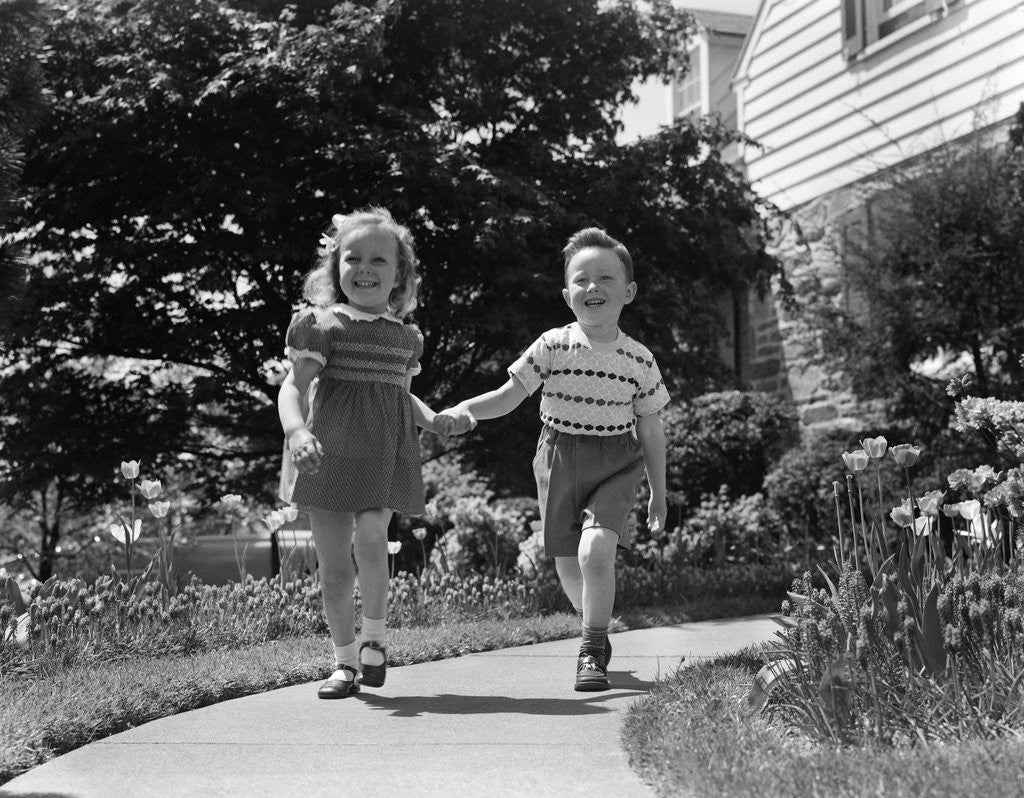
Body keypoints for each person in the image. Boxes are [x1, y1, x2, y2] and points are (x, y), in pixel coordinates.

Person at [438, 227, 669, 691]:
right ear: (567, 295)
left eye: (605, 278)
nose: (593, 287)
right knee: (568, 564)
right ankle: (595, 626)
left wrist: (658, 493)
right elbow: (508, 397)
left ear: (628, 291)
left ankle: (591, 647)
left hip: (616, 462)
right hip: (558, 457)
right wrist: (464, 410)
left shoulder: (639, 360)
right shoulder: (551, 346)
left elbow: (650, 428)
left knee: (594, 550)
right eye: (581, 280)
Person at [277, 207, 467, 699]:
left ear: (399, 273)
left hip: (384, 453)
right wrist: (297, 432)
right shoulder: (324, 326)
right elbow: (292, 389)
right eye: (352, 258)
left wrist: (434, 419)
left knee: (371, 537)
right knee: (335, 566)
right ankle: (343, 663)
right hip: (330, 456)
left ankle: (375, 642)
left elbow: (399, 394)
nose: (364, 269)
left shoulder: (405, 338)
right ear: (335, 267)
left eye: (378, 260)